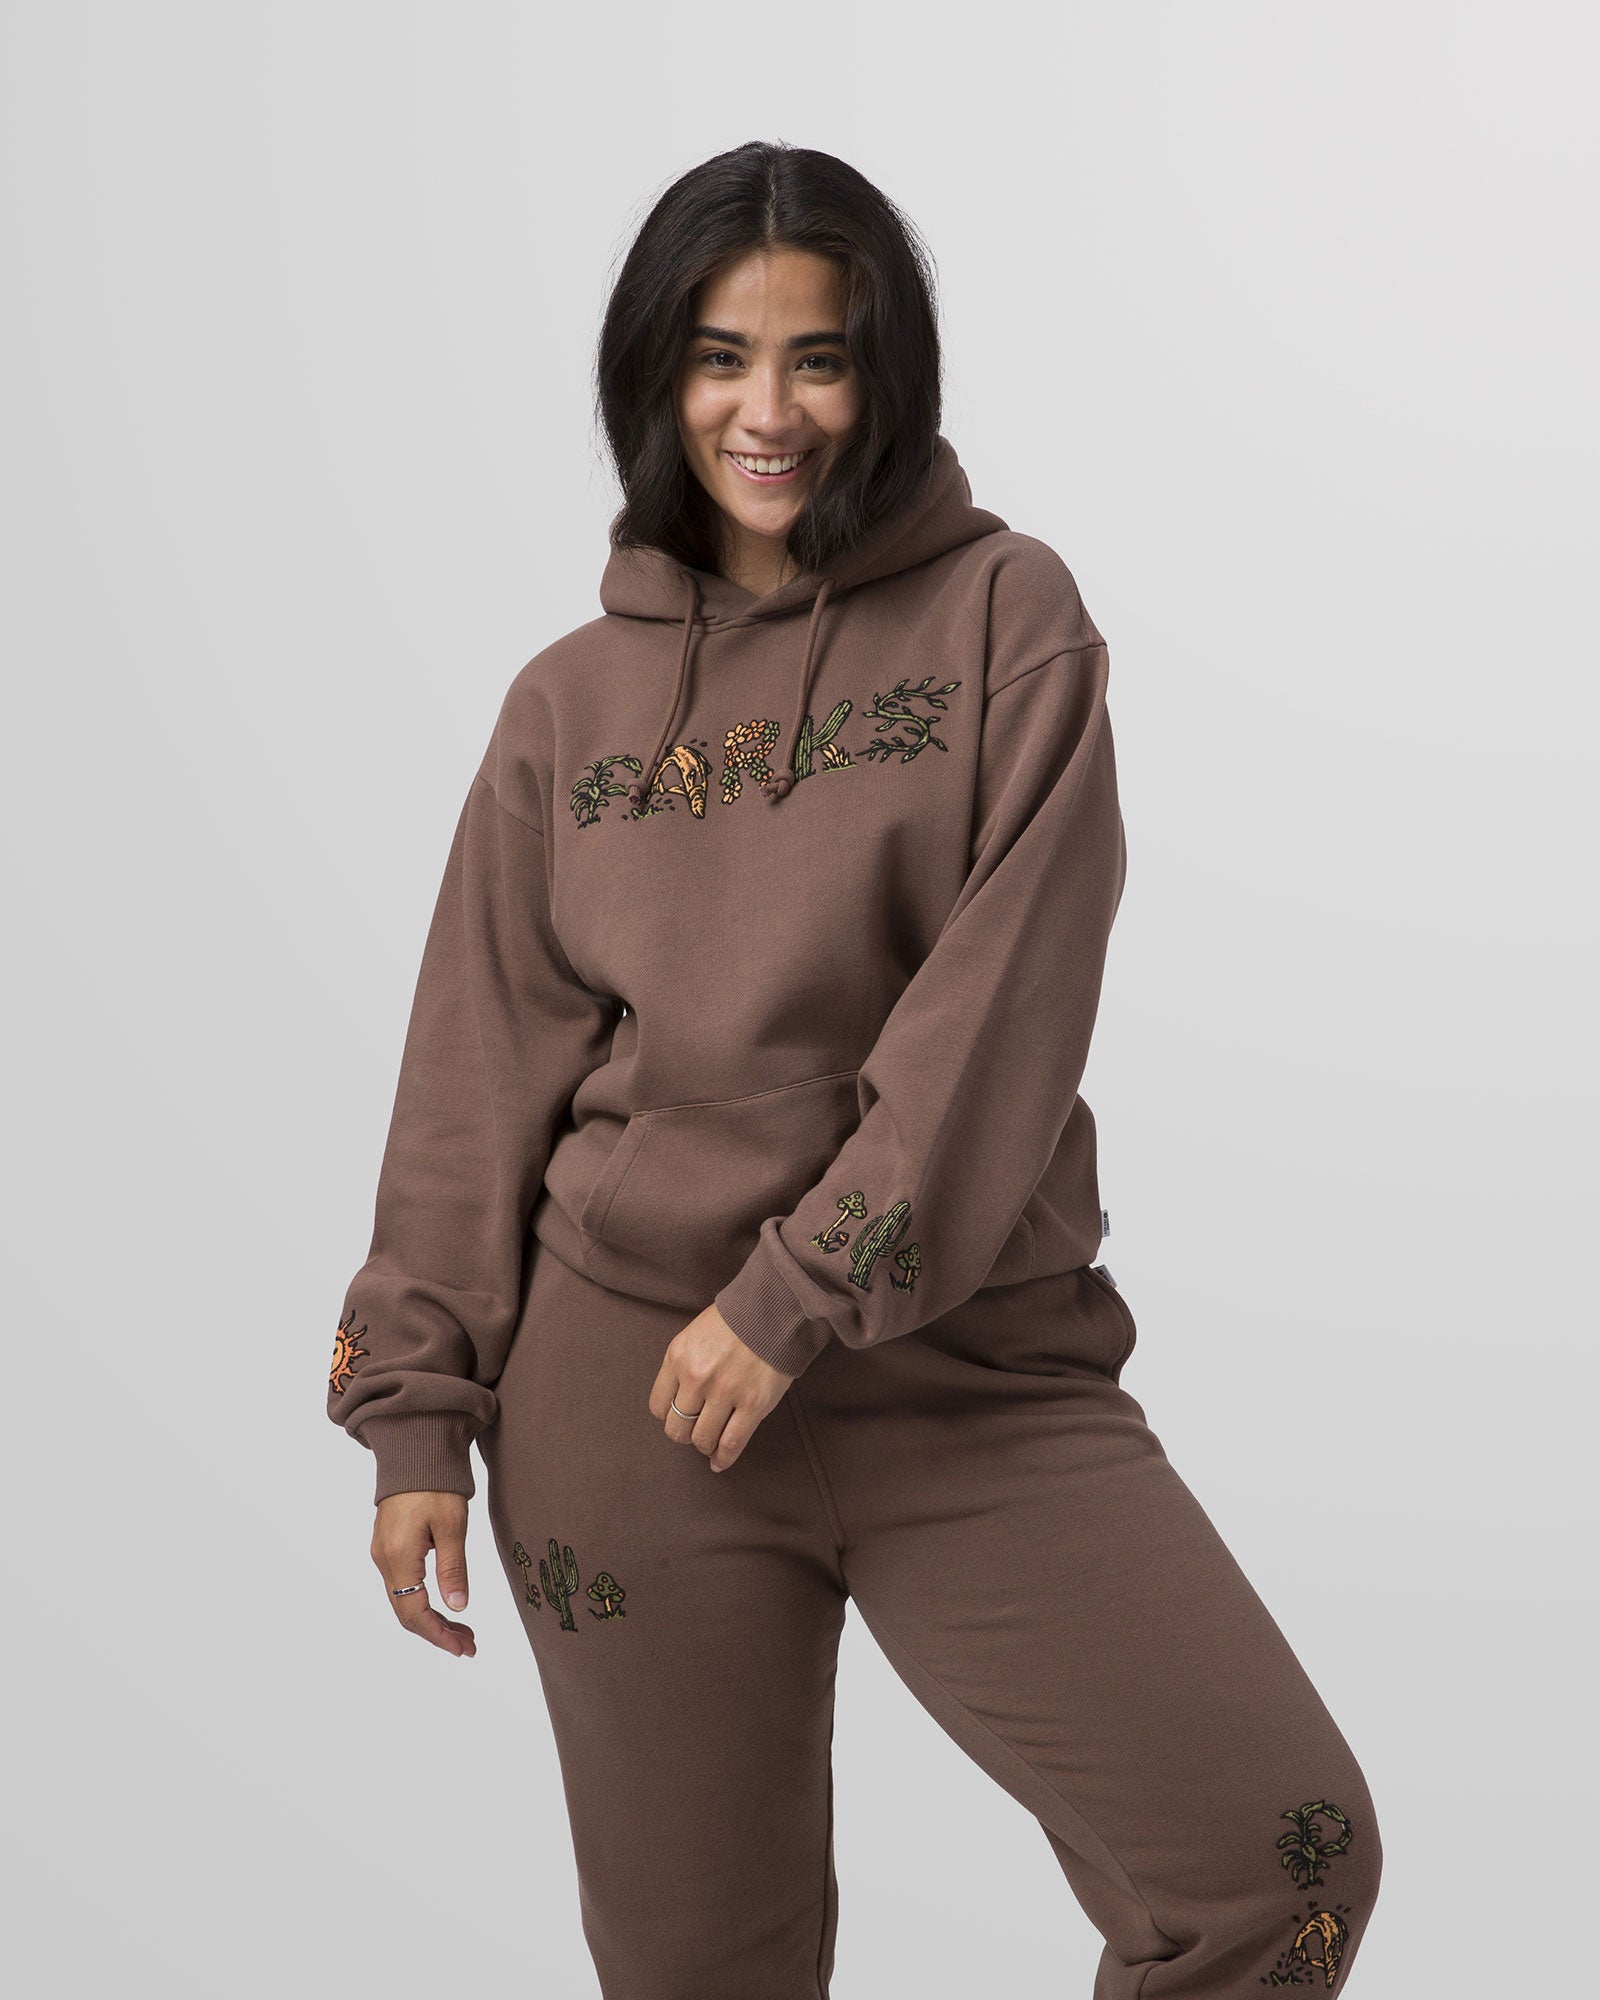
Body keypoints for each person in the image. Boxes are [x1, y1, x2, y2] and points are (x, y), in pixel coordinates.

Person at [325, 140, 1383, 1998]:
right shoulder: (565, 707)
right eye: (720, 357)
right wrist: (417, 1407)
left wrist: (800, 1291)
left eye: (818, 358)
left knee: (1275, 1863)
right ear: (655, 376)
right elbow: (474, 1068)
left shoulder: (1006, 619)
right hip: (626, 1401)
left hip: (962, 1369)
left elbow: (1005, 1008)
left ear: (884, 372)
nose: (770, 410)